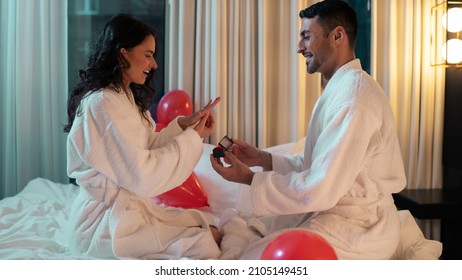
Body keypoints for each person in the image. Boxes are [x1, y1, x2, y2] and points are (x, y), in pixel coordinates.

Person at [211, 0, 406, 260]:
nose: (299, 47)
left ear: (337, 35)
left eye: (306, 37)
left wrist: (249, 178)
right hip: (335, 210)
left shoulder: (354, 99)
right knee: (255, 230)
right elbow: (317, 167)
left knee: (253, 259)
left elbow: (320, 186)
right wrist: (261, 158)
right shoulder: (342, 88)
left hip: (360, 226)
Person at [64, 13, 221, 259]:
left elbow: (147, 147)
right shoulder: (102, 103)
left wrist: (186, 127)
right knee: (203, 242)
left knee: (205, 227)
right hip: (101, 225)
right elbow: (141, 174)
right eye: (148, 55)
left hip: (126, 209)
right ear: (123, 53)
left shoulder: (122, 96)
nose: (154, 64)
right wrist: (193, 138)